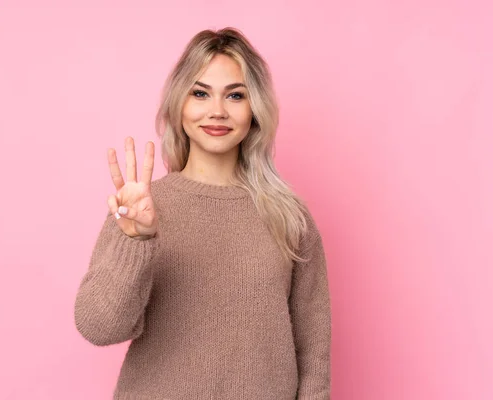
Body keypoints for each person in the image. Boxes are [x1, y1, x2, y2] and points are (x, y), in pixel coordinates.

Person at [74, 27, 332, 400]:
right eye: (200, 93)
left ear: (254, 109)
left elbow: (313, 352)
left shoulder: (290, 216)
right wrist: (135, 241)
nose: (217, 111)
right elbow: (99, 327)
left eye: (235, 95)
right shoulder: (142, 208)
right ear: (179, 104)